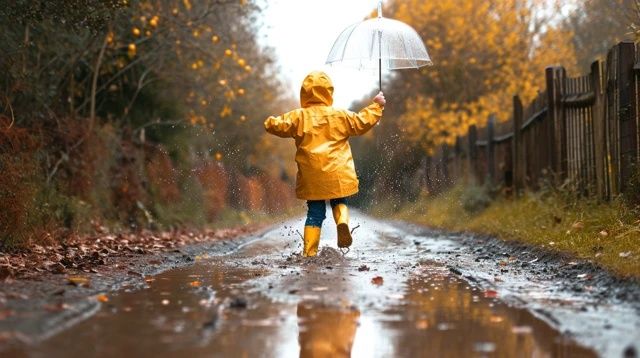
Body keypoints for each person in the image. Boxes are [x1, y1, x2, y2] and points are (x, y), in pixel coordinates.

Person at [264, 71, 385, 257]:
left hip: (312, 175)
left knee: (315, 212)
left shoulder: (299, 116)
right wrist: (377, 106)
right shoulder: (340, 115)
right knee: (339, 201)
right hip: (338, 172)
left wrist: (270, 121)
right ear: (329, 92)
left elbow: (277, 125)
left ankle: (309, 252)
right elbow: (362, 122)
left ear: (304, 93)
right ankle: (342, 222)